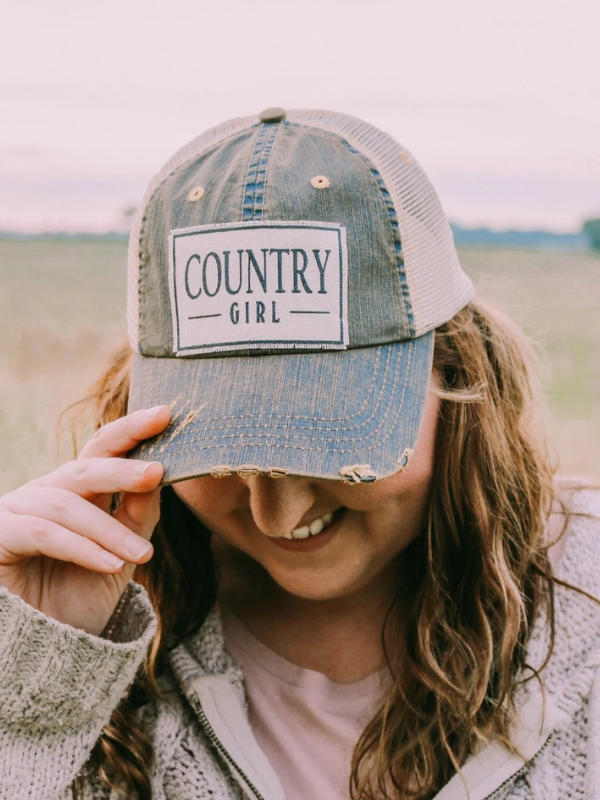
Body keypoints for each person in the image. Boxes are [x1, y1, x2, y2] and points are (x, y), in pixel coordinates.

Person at [0, 108, 598, 800]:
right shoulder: (92, 626)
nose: (277, 513)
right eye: (220, 453)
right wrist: (30, 691)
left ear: (458, 372)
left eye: (333, 445)